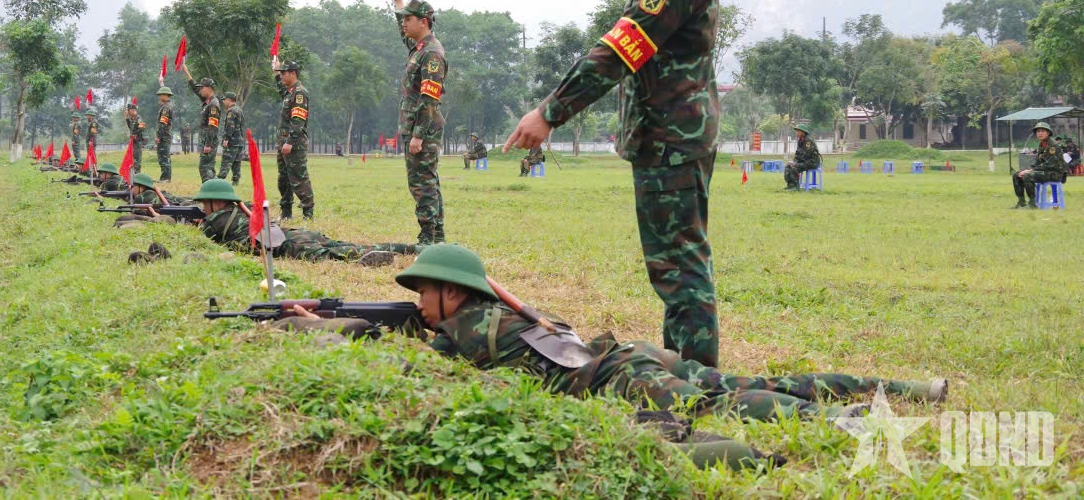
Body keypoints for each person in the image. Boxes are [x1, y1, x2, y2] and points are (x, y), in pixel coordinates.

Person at [505, 0, 721, 367]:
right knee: (676, 261)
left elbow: (616, 53)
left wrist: (549, 112)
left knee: (679, 268)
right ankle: (687, 370)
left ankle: (696, 382)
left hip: (673, 136)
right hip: (675, 130)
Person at [389, 245, 945, 419]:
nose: (420, 304)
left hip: (623, 377)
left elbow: (413, 370)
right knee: (750, 381)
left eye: (424, 292)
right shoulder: (505, 317)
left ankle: (838, 419)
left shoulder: (461, 330)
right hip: (633, 356)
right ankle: (903, 389)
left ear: (454, 293)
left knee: (712, 408)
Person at [192, 179, 413, 265]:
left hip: (289, 246)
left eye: (205, 204)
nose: (203, 209)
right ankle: (412, 248)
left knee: (337, 254)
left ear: (216, 202)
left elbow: (205, 239)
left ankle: (369, 259)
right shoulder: (244, 212)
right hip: (293, 234)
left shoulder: (216, 222)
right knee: (343, 244)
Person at [393, 0, 449, 244]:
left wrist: (418, 135)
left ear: (423, 22)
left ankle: (429, 237)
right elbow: (403, 33)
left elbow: (429, 99)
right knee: (425, 181)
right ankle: (436, 236)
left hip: (423, 130)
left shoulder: (432, 54)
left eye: (408, 19)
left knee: (422, 184)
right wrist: (397, 0)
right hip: (415, 127)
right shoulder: (419, 48)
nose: (404, 23)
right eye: (402, 18)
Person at [273, 60, 316, 220]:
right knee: (283, 179)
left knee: (299, 178)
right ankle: (286, 213)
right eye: (281, 73)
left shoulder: (300, 93)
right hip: (283, 143)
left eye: (284, 73)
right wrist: (276, 73)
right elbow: (281, 90)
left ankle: (308, 213)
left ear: (293, 73)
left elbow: (298, 121)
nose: (282, 75)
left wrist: (290, 141)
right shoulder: (290, 92)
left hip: (294, 144)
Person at [1012, 122, 1067, 208]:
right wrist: (1028, 169)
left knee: (1028, 175)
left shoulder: (1053, 145)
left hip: (1055, 173)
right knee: (1016, 174)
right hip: (1045, 171)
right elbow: (1037, 162)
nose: (1040, 133)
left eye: (1042, 131)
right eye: (1038, 131)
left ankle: (1032, 203)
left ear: (1048, 133)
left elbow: (1049, 164)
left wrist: (1030, 171)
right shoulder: (1042, 144)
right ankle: (1021, 201)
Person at [182, 63, 221, 181]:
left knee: (205, 168)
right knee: (206, 168)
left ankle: (211, 192)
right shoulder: (207, 101)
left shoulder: (214, 104)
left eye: (202, 87)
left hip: (209, 142)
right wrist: (186, 71)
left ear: (209, 88)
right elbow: (194, 87)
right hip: (205, 141)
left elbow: (212, 126)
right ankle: (212, 192)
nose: (200, 90)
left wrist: (208, 144)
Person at [218, 91, 246, 184]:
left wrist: (226, 138)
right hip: (239, 141)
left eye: (224, 100)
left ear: (229, 100)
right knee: (236, 162)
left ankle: (220, 179)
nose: (223, 102)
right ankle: (235, 181)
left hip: (232, 141)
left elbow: (230, 126)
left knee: (226, 160)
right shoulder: (239, 110)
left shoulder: (231, 111)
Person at [783, 123, 822, 190]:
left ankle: (795, 187)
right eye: (796, 131)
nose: (796, 133)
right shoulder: (801, 140)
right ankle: (791, 185)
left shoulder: (808, 140)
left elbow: (807, 154)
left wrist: (795, 163)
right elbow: (798, 153)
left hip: (812, 162)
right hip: (805, 161)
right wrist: (794, 161)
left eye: (798, 131)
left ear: (803, 132)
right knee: (788, 166)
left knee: (793, 168)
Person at [155, 86, 175, 182]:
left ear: (165, 95)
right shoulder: (168, 105)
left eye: (160, 95)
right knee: (165, 157)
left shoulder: (166, 108)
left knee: (163, 157)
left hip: (164, 136)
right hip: (166, 135)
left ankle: (165, 178)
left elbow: (163, 123)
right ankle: (166, 177)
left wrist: (159, 136)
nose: (159, 97)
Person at [125, 104, 146, 175]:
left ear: (133, 110)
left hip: (138, 141)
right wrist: (127, 118)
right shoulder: (132, 119)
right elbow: (130, 127)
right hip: (133, 141)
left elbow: (142, 128)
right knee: (132, 158)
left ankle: (137, 174)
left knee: (137, 158)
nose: (127, 111)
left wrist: (135, 135)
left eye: (129, 110)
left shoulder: (139, 118)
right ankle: (133, 173)